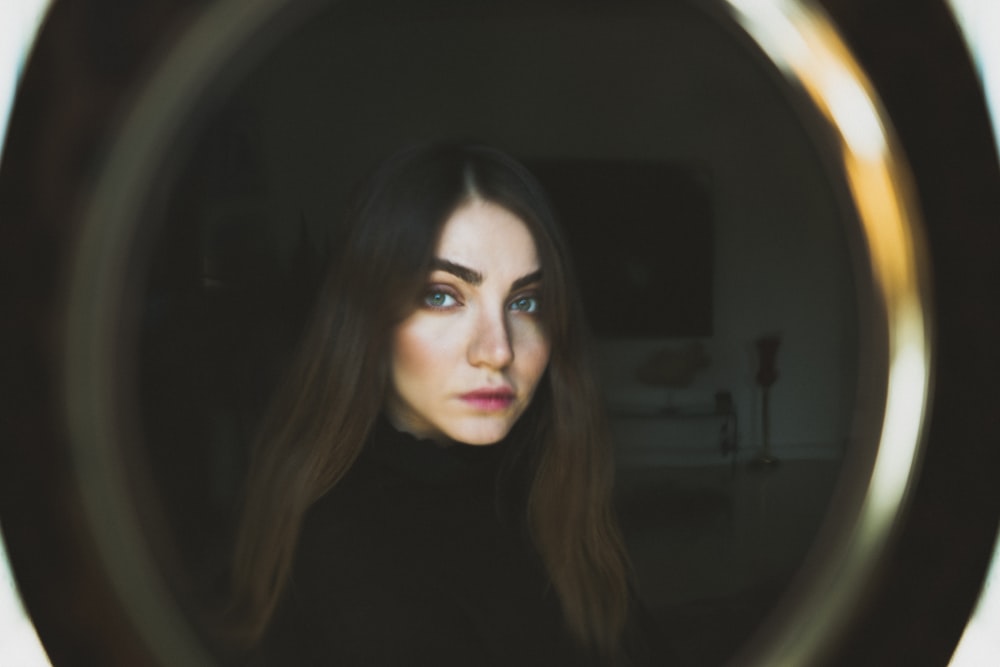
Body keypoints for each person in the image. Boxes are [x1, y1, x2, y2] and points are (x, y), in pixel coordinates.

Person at [225, 143, 655, 665]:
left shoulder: (547, 478)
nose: (497, 350)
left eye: (525, 302)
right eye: (442, 295)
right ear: (368, 318)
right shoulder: (342, 550)